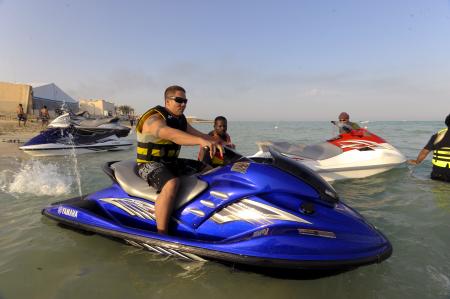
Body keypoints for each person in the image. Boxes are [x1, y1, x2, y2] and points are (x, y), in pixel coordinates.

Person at [136, 85, 223, 234]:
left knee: (210, 170)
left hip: (171, 163)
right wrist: (200, 142)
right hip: (149, 164)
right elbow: (169, 134)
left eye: (185, 101)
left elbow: (200, 135)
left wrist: (221, 143)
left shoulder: (180, 120)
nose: (183, 104)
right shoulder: (154, 118)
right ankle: (161, 233)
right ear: (167, 101)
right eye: (179, 100)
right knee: (171, 183)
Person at [408, 114, 450, 182]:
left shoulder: (438, 135)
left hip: (438, 173)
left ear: (446, 123)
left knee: (438, 191)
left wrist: (417, 161)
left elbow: (425, 152)